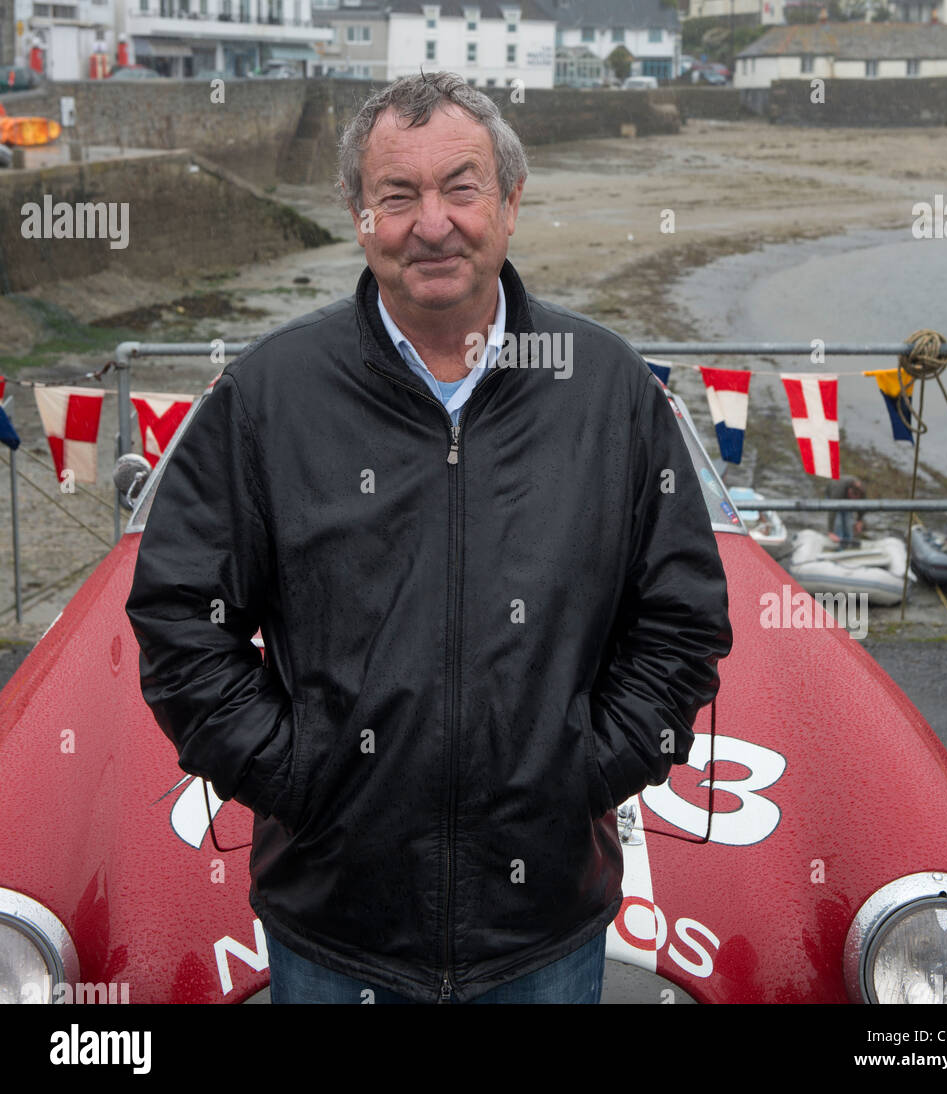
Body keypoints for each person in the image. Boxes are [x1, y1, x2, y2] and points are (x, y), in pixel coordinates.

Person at [125, 71, 733, 1005]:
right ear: (359, 215)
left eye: (460, 186)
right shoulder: (268, 396)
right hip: (335, 925)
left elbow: (681, 619)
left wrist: (587, 769)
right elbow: (178, 617)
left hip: (542, 928)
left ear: (510, 202)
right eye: (397, 195)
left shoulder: (609, 391)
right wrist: (295, 773)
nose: (432, 223)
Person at [828, 474, 866, 545]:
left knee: (848, 522)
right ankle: (838, 545)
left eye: (856, 498)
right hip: (833, 496)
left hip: (846, 500)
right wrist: (830, 531)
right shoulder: (838, 488)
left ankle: (848, 543)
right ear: (849, 490)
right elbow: (832, 510)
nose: (853, 499)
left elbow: (863, 507)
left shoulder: (862, 491)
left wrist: (859, 520)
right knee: (838, 523)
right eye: (852, 495)